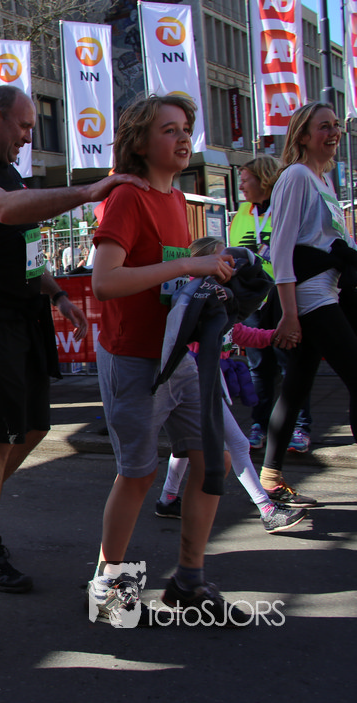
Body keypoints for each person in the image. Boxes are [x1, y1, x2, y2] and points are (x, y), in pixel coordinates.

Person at [0, 85, 138, 593]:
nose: (28, 137)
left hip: (25, 312)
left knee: (35, 427)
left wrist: (57, 295)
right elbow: (3, 210)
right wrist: (88, 192)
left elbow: (23, 246)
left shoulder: (9, 172)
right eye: (24, 126)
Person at [86, 94, 245, 626]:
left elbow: (173, 279)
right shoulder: (126, 198)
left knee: (214, 460)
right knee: (138, 475)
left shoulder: (176, 198)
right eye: (169, 130)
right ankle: (109, 588)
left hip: (178, 356)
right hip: (133, 360)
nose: (182, 138)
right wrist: (189, 267)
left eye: (185, 129)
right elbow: (104, 281)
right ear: (139, 142)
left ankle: (188, 579)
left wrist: (209, 269)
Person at [155, 236, 307, 534]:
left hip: (205, 381)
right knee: (237, 444)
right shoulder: (197, 297)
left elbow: (238, 333)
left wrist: (274, 336)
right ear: (205, 261)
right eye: (222, 258)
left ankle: (167, 499)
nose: (230, 264)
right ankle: (267, 509)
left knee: (186, 447)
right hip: (197, 382)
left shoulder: (214, 296)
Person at [259, 101, 357, 507]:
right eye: (323, 127)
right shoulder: (296, 176)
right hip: (310, 298)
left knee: (296, 386)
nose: (333, 133)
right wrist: (289, 314)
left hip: (329, 293)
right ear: (302, 135)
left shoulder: (324, 180)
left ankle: (270, 477)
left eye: (335, 126)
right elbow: (281, 250)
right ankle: (269, 479)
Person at [230, 156, 314, 453]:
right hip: (252, 301)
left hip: (282, 295)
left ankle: (299, 426)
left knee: (290, 363)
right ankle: (260, 424)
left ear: (263, 178)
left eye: (245, 179)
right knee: (259, 366)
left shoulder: (286, 207)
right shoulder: (241, 213)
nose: (240, 186)